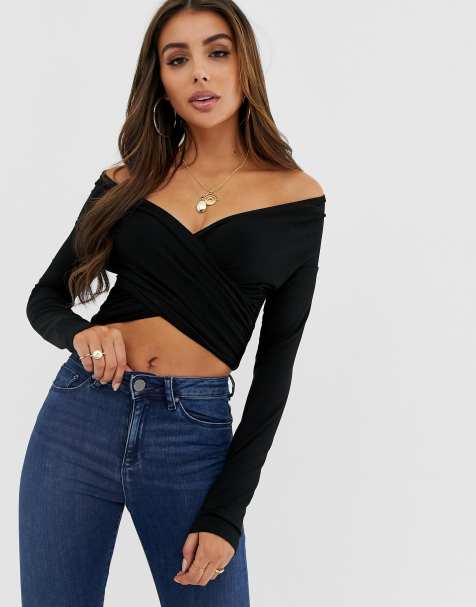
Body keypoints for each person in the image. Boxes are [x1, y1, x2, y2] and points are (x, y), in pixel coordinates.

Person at [19, 1, 326, 605]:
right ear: (160, 80)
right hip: (80, 417)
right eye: (177, 59)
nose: (200, 73)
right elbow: (45, 298)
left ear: (245, 64)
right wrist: (79, 334)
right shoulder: (128, 180)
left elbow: (275, 373)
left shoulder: (296, 199)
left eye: (217, 52)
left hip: (191, 437)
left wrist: (226, 513)